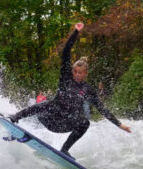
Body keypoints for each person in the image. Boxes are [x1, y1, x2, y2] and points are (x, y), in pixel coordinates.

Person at [8, 23, 131, 159]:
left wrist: (120, 125)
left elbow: (102, 109)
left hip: (63, 124)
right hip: (48, 117)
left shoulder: (88, 90)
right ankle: (15, 118)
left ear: (86, 74)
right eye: (75, 71)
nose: (77, 74)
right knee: (46, 104)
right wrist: (76, 32)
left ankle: (64, 150)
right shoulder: (66, 78)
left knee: (85, 122)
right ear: (72, 71)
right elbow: (66, 51)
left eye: (81, 72)